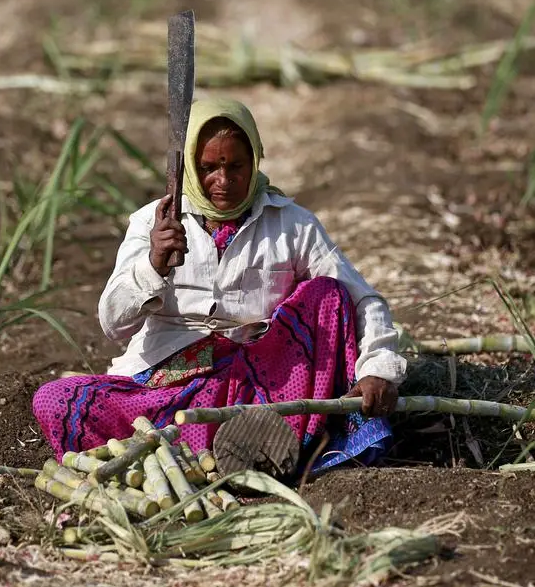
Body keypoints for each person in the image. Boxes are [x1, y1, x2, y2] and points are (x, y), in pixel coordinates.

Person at [33, 98, 406, 470]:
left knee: (328, 294)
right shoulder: (155, 222)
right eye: (208, 168)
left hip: (263, 384)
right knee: (55, 399)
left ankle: (253, 443)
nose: (223, 181)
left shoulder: (292, 223)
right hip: (168, 388)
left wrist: (378, 367)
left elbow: (362, 300)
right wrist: (153, 265)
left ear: (255, 161)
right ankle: (217, 447)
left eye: (236, 167)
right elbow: (113, 324)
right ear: (190, 168)